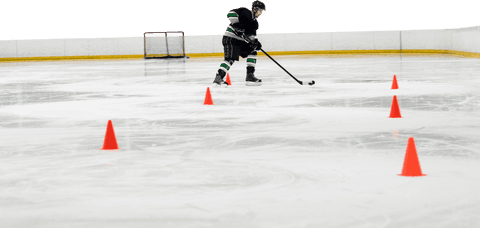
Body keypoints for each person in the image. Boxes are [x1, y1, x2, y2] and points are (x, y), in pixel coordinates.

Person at [213, 0, 267, 87]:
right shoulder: (245, 12)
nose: (260, 13)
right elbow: (230, 14)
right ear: (255, 9)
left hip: (240, 41)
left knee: (252, 51)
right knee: (230, 59)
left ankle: (250, 75)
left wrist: (255, 43)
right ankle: (219, 77)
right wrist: (239, 24)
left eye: (262, 11)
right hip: (230, 38)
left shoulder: (255, 23)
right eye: (260, 10)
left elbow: (250, 36)